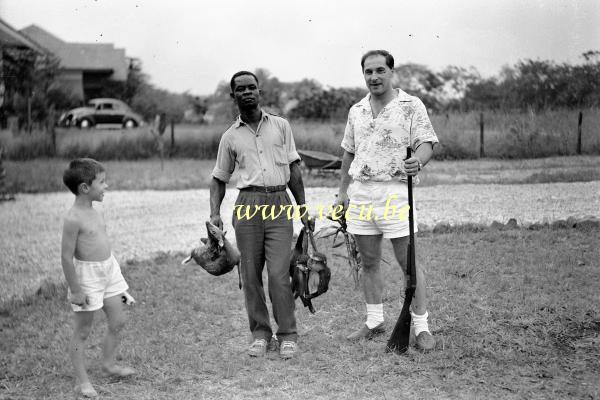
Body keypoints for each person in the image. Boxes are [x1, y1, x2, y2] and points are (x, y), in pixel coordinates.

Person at [335, 50, 439, 350]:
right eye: (368, 72)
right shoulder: (357, 110)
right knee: (368, 262)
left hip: (395, 192)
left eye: (380, 70)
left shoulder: (410, 105)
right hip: (362, 194)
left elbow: (426, 143)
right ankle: (374, 321)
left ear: (391, 72)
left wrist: (417, 162)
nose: (374, 77)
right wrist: (342, 193)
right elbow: (348, 152)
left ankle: (421, 327)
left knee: (409, 264)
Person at [209, 71, 311, 359]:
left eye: (251, 87)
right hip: (247, 204)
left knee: (279, 274)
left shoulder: (281, 126)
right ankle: (260, 334)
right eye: (240, 89)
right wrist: (214, 214)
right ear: (234, 96)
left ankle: (288, 335)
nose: (247, 93)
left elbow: (294, 170)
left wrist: (302, 208)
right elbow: (219, 178)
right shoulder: (230, 137)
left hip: (279, 203)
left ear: (260, 91)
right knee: (250, 274)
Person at [61, 158, 135, 397]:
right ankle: (82, 382)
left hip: (108, 270)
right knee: (82, 331)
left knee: (118, 320)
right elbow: (65, 257)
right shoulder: (73, 219)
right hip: (87, 278)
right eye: (102, 182)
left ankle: (109, 363)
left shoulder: (96, 211)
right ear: (85, 188)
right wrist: (76, 290)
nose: (106, 186)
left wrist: (111, 272)